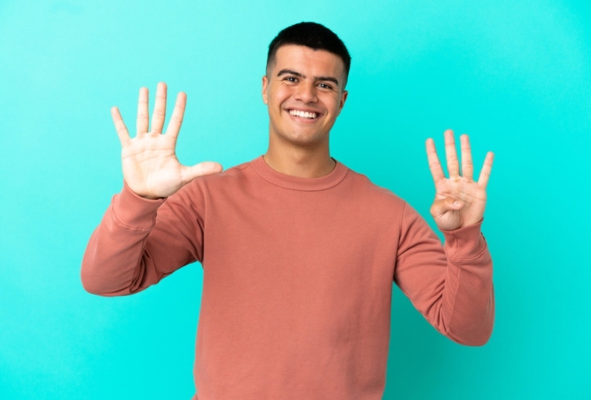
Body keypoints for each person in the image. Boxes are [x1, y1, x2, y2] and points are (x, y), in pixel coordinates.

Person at [82, 22, 495, 400]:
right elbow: (106, 280)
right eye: (291, 78)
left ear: (342, 100)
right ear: (265, 88)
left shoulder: (390, 215)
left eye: (325, 84)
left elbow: (467, 329)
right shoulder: (208, 199)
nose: (306, 96)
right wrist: (138, 199)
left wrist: (465, 238)